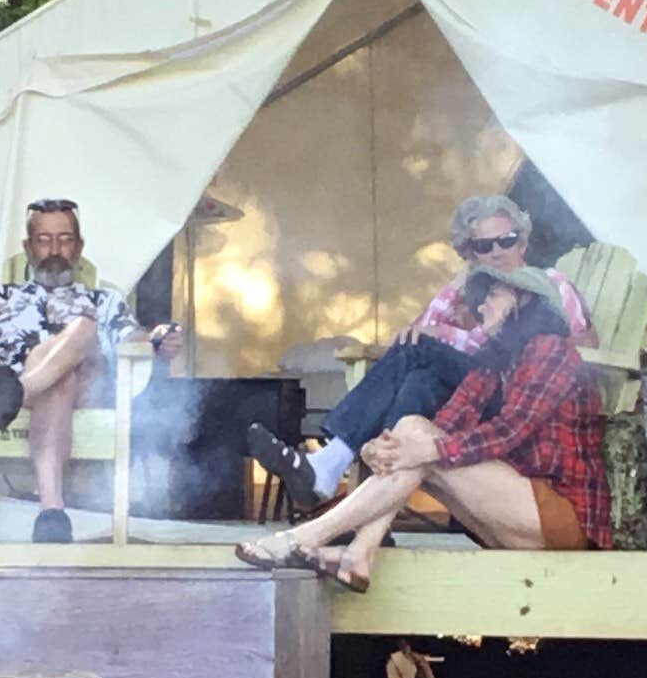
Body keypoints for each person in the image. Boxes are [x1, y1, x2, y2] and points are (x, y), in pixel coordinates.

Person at [234, 266, 610, 590]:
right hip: (511, 515)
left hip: (561, 519)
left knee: (422, 443)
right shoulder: (493, 365)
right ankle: (359, 554)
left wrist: (424, 450)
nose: (481, 307)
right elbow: (439, 427)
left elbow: (510, 430)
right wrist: (378, 447)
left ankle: (306, 537)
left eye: (493, 294)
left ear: (525, 300)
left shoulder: (551, 349)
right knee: (414, 427)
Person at [246, 193, 591, 510]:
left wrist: (445, 334)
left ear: (523, 241)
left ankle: (330, 464)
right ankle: (371, 508)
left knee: (419, 353)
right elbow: (414, 334)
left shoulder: (549, 284)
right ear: (470, 253)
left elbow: (575, 343)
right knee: (420, 381)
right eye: (484, 246)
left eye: (507, 240)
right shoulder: (472, 292)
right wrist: (457, 292)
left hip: (518, 397)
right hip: (467, 391)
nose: (498, 252)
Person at [0, 198, 179, 544]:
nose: (55, 249)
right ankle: (51, 512)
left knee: (83, 327)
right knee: (59, 381)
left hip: (79, 398)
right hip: (33, 404)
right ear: (28, 247)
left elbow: (134, 337)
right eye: (44, 239)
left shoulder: (103, 302)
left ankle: (18, 390)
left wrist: (157, 336)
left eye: (65, 239)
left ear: (79, 247)